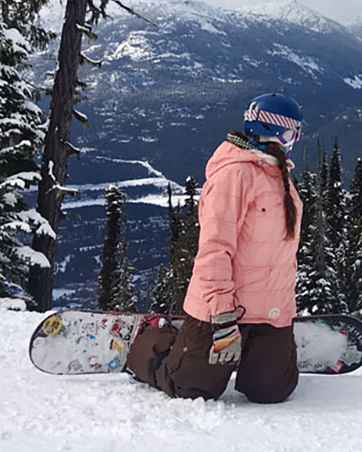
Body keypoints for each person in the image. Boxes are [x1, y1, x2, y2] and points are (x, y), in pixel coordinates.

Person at [126, 92, 305, 402]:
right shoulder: (234, 175)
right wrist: (222, 317)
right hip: (222, 309)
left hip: (268, 311)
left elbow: (280, 255)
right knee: (192, 388)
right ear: (275, 131)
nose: (294, 141)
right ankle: (153, 341)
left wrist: (284, 314)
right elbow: (214, 251)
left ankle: (257, 354)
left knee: (272, 390)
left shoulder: (279, 176)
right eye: (292, 133)